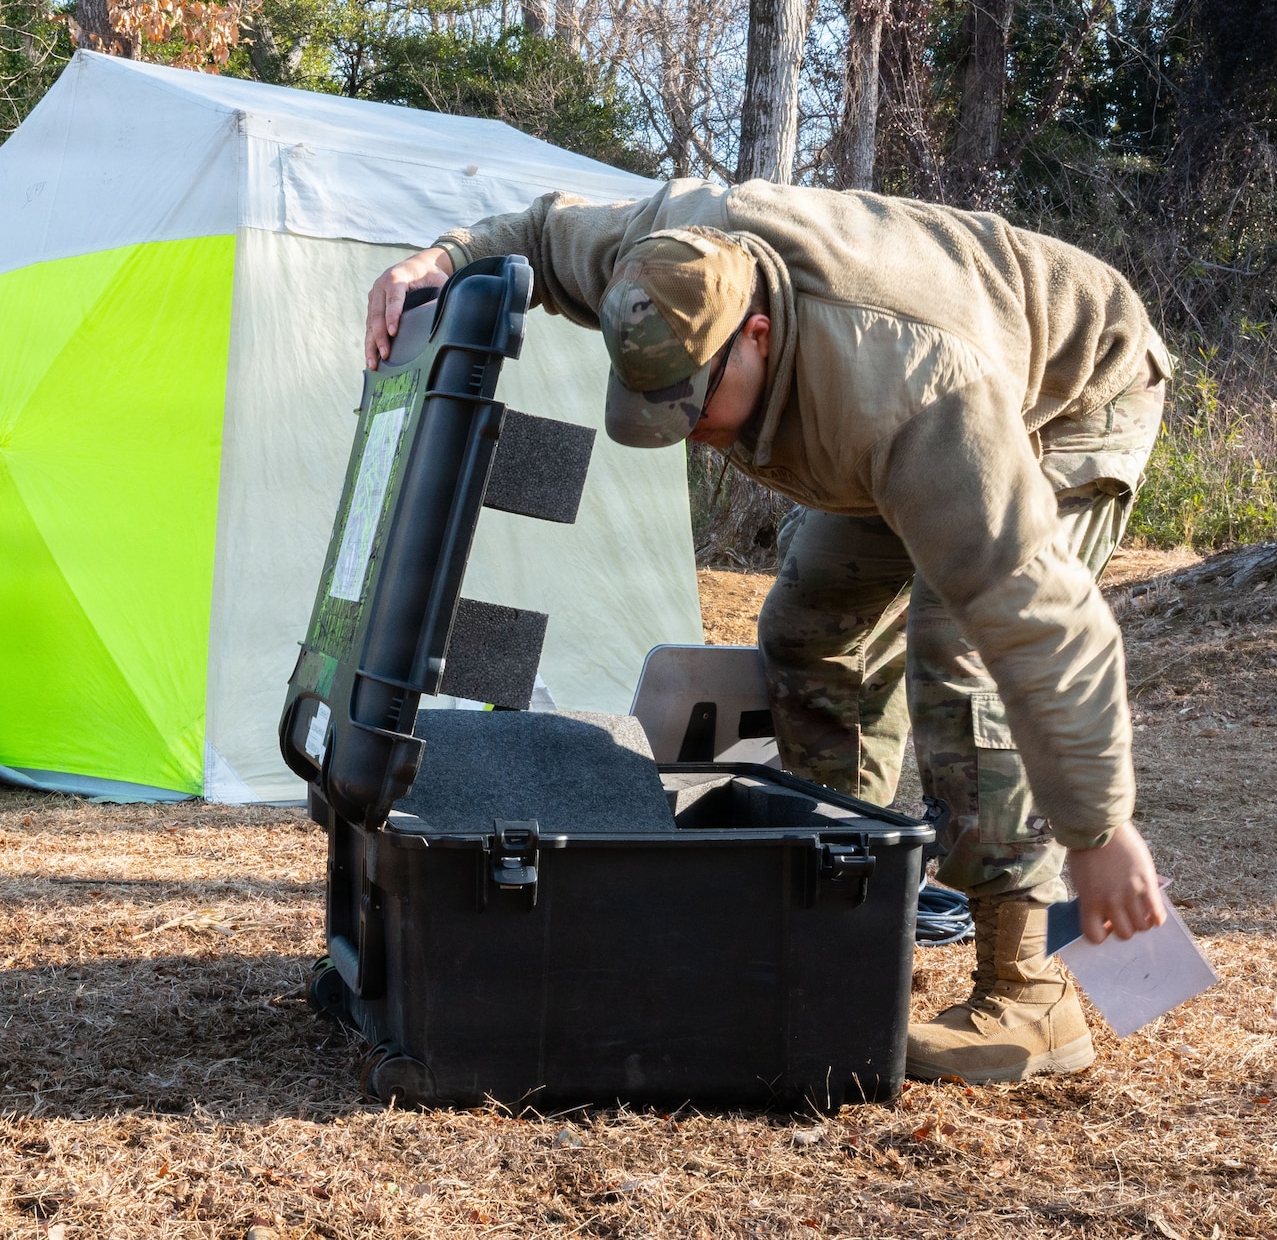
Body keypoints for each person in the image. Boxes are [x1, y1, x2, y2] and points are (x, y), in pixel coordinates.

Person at [365, 180, 1172, 1085]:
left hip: (1074, 388)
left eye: (694, 403)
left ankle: (1029, 993)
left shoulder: (914, 392)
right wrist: (440, 258)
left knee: (963, 646)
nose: (689, 435)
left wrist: (1101, 832)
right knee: (808, 631)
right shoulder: (655, 252)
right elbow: (547, 234)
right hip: (892, 403)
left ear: (754, 333)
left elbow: (1041, 620)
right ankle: (843, 923)